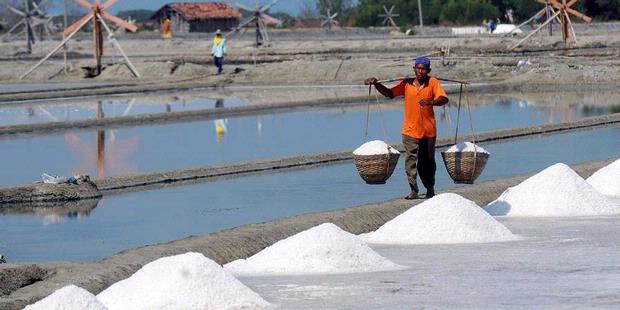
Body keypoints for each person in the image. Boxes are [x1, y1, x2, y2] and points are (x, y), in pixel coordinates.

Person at [364, 56, 449, 199]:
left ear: (428, 70)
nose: (421, 71)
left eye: (424, 69)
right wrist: (376, 84)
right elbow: (389, 93)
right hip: (409, 131)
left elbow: (444, 99)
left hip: (428, 131)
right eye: (418, 68)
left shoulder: (432, 82)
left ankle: (430, 188)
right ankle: (414, 189)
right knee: (410, 160)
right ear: (414, 69)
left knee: (427, 162)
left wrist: (431, 102)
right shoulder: (406, 84)